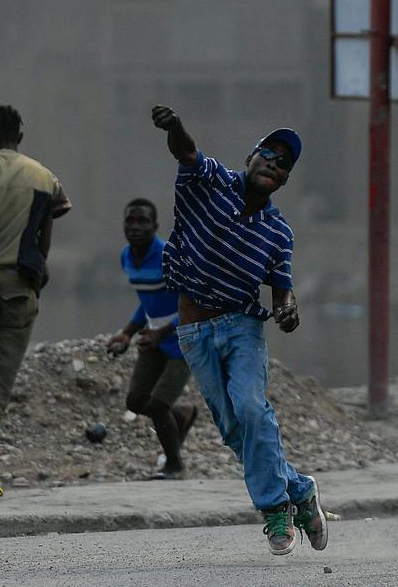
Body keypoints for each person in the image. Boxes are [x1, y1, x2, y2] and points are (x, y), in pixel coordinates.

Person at [150, 104, 327, 557]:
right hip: (194, 331)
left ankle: (275, 510)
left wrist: (288, 310)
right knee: (234, 432)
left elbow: (282, 290)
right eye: (268, 154)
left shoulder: (278, 231)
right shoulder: (210, 183)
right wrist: (176, 127)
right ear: (251, 157)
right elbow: (186, 153)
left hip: (242, 326)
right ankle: (301, 489)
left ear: (285, 179)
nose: (274, 164)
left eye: (283, 163)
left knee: (251, 408)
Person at [0, 105, 71, 498]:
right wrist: (39, 269)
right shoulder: (46, 177)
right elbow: (46, 231)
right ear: (20, 137)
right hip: (20, 288)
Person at [105, 197, 199, 480]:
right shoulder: (126, 257)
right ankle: (182, 414)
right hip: (153, 337)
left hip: (183, 338)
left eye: (142, 221)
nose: (135, 227)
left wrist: (162, 332)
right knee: (135, 401)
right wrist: (126, 333)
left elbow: (192, 302)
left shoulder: (167, 255)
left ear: (155, 226)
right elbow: (148, 302)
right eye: (130, 221)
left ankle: (175, 466)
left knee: (158, 406)